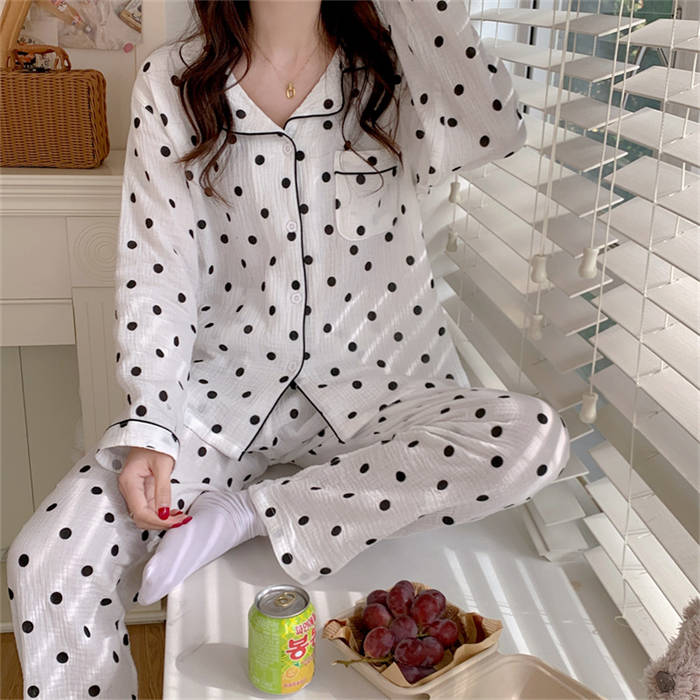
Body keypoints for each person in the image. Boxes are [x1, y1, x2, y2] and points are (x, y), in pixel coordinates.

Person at [7, 0, 570, 697]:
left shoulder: (398, 70)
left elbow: (495, 129)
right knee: (48, 563)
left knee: (532, 438)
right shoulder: (172, 82)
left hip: (384, 397)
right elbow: (158, 269)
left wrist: (251, 511)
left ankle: (253, 513)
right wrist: (153, 424)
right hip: (224, 403)